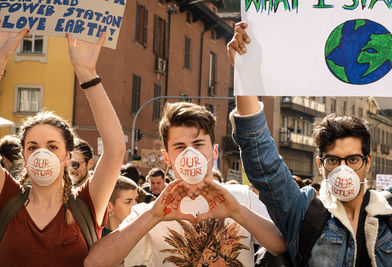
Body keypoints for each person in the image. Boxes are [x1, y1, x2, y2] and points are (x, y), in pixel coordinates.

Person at [228, 22, 392, 266]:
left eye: (352, 159)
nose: (344, 169)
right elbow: (262, 162)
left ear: (367, 162)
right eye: (333, 160)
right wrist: (245, 75)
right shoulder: (304, 214)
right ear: (320, 164)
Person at [84, 102, 286, 267]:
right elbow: (95, 262)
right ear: (167, 157)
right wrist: (153, 217)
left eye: (198, 144)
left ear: (214, 152)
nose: (191, 154)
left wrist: (238, 213)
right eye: (180, 147)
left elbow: (280, 245)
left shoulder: (242, 197)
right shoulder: (150, 211)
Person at [0, 29, 125, 266]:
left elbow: (116, 148)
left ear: (67, 157)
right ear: (24, 156)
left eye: (52, 146)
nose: (41, 153)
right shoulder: (7, 197)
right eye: (32, 146)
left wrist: (88, 74)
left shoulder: (87, 203)